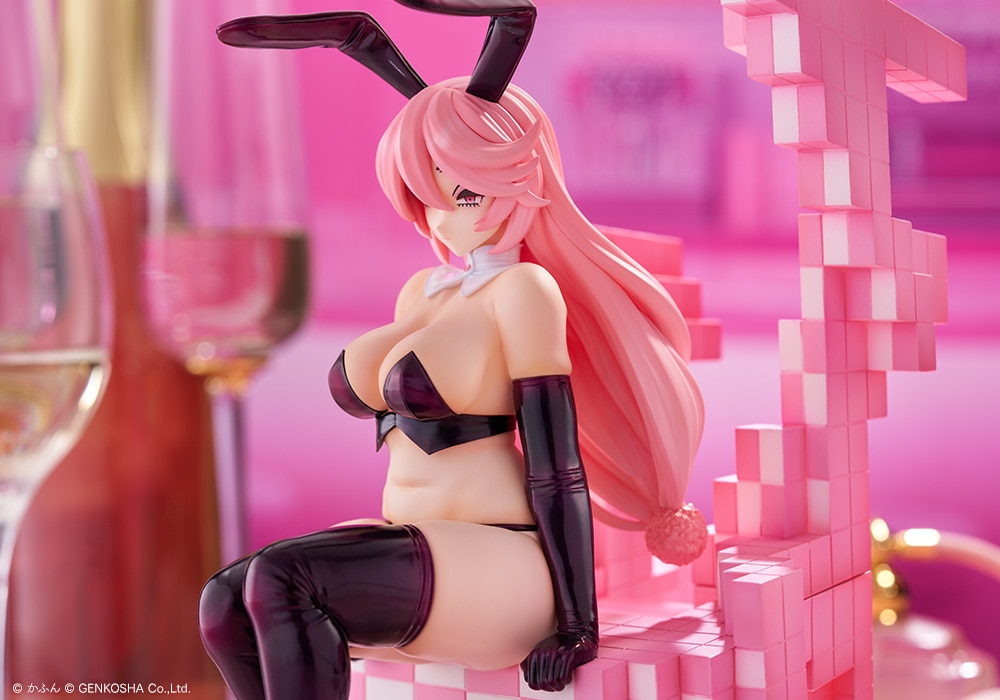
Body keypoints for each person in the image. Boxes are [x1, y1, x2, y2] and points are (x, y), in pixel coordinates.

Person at [199, 4, 706, 698]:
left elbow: (556, 470)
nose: (443, 217)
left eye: (464, 192)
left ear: (517, 175)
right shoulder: (423, 293)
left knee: (285, 579)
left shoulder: (524, 292)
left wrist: (576, 626)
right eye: (426, 195)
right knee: (224, 603)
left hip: (500, 563)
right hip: (422, 545)